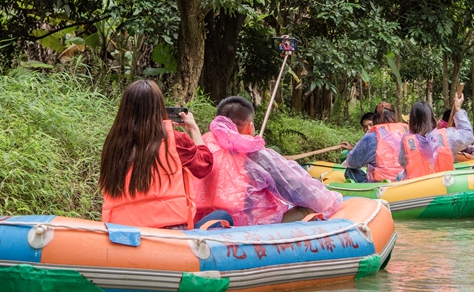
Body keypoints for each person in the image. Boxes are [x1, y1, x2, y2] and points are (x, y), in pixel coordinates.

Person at [99, 80, 231, 230]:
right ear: (159, 108)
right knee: (223, 216)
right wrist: (194, 128)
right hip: (168, 234)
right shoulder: (174, 140)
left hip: (122, 233)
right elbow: (204, 165)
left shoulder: (112, 145)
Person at [195, 96, 343, 226]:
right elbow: (304, 192)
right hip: (250, 228)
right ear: (250, 127)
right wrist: (333, 200)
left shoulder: (200, 145)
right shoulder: (254, 152)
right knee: (312, 209)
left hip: (204, 224)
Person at [399, 93, 474, 179]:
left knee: (399, 176)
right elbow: (467, 135)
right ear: (432, 117)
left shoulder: (407, 142)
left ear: (412, 121)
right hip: (444, 186)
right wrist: (457, 110)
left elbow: (402, 162)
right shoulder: (447, 136)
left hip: (418, 189)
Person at [343, 101, 408, 183]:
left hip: (380, 183)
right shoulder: (408, 132)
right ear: (394, 116)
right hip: (405, 180)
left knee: (350, 170)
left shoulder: (371, 137)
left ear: (375, 118)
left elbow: (352, 163)